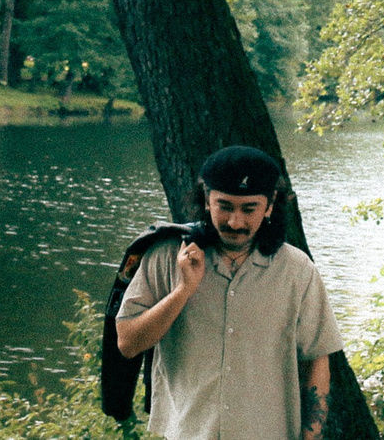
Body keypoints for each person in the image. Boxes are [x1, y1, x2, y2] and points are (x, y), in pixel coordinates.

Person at [116, 144, 346, 440]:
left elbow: (317, 360)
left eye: (249, 209)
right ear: (207, 201)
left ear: (270, 206)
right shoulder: (166, 256)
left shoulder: (298, 270)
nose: (235, 222)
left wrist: (310, 438)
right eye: (225, 206)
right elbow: (128, 343)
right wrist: (183, 291)